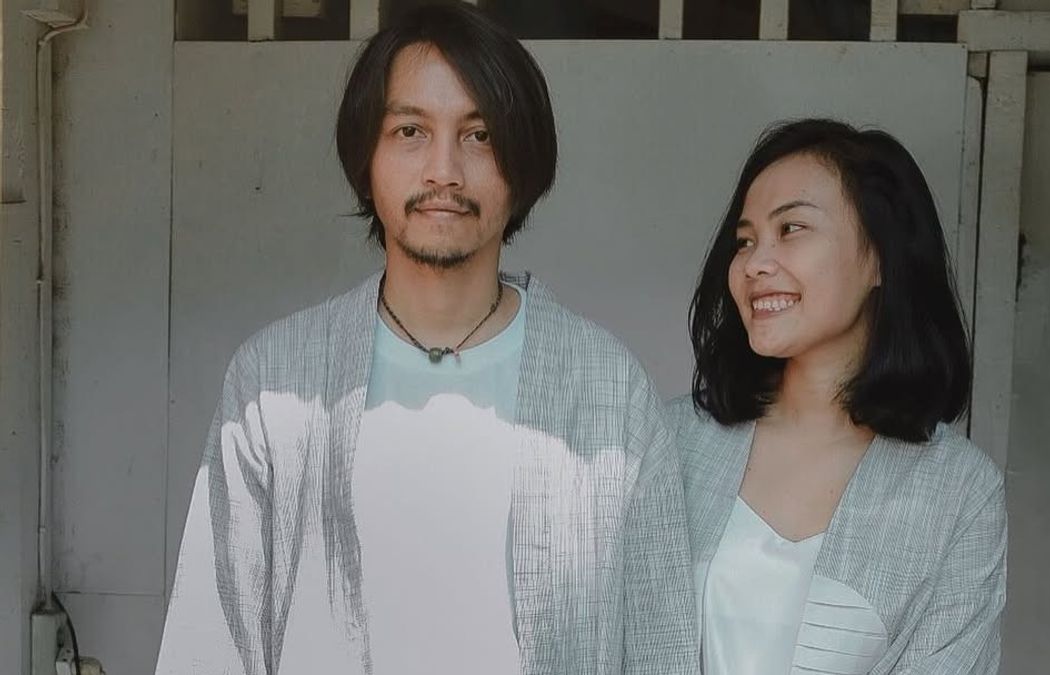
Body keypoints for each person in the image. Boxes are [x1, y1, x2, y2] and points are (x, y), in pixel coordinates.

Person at [155, 3, 696, 674]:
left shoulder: (608, 389)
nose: (444, 170)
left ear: (523, 162)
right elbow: (209, 646)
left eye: (480, 135)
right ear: (367, 156)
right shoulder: (275, 382)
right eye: (410, 131)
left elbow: (662, 648)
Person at [670, 119, 1006, 674]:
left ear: (880, 256)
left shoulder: (960, 491)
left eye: (791, 229)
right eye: (745, 240)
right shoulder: (674, 441)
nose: (754, 263)